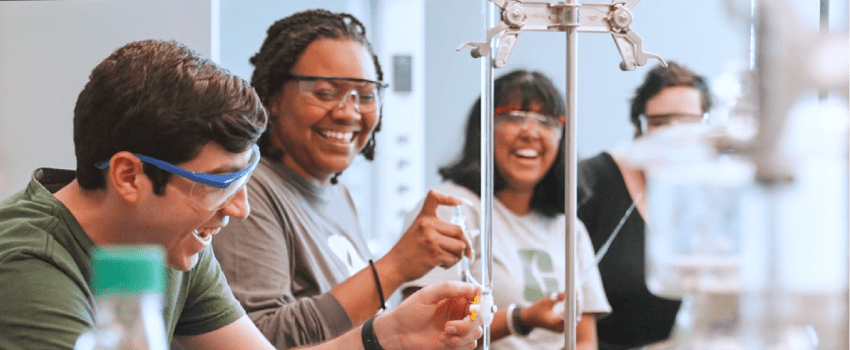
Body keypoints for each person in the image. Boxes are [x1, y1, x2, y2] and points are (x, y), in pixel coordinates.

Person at [0, 39, 483, 350]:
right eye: (219, 184)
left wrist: (388, 336)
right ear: (128, 176)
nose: (240, 207)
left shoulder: (175, 242)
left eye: (245, 178)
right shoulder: (27, 263)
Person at [210, 9, 474, 349]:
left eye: (365, 96)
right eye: (325, 92)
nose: (348, 112)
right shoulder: (248, 194)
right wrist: (397, 266)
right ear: (273, 99)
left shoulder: (336, 193)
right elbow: (261, 338)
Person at [400, 70, 612, 350]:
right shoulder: (453, 207)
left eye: (547, 121)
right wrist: (519, 319)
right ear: (484, 129)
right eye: (514, 117)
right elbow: (423, 329)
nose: (530, 132)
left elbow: (584, 340)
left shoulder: (569, 229)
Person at [577, 61, 714, 350]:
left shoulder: (714, 193)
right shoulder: (593, 182)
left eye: (687, 124)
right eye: (660, 123)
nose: (673, 136)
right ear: (640, 126)